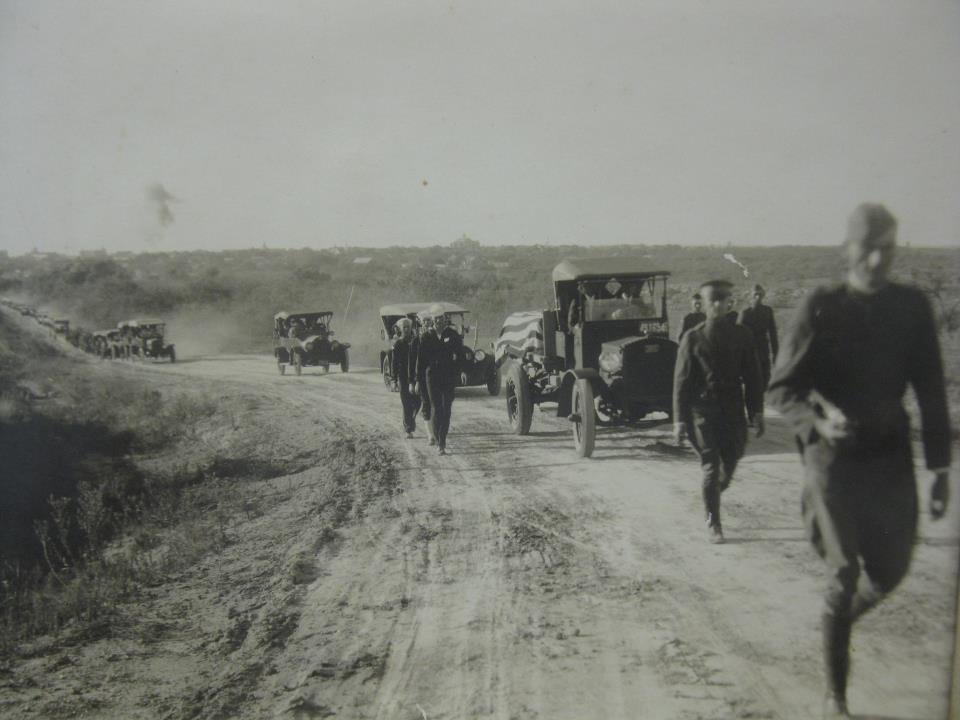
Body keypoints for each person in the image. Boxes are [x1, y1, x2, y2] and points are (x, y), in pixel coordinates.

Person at [767, 203, 951, 719]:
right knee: (844, 570)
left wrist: (940, 469)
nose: (876, 260)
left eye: (886, 249)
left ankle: (835, 622)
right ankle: (835, 698)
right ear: (848, 249)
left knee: (892, 570)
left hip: (889, 456)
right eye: (867, 249)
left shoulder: (911, 307)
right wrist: (818, 423)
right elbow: (783, 388)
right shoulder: (821, 306)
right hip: (834, 460)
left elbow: (933, 390)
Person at [673, 280, 764, 544]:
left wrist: (756, 411)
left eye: (721, 300)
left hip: (733, 408)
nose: (717, 305)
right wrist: (679, 420)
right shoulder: (693, 338)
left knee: (732, 458)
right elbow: (681, 382)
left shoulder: (743, 335)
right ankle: (714, 521)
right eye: (711, 300)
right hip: (704, 411)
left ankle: (711, 492)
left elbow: (753, 376)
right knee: (712, 465)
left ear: (729, 303)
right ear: (702, 303)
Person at [414, 304, 463, 455]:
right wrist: (417, 380)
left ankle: (442, 440)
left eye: (441, 319)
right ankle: (438, 441)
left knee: (447, 409)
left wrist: (461, 372)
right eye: (435, 319)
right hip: (432, 377)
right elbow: (420, 361)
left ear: (445, 319)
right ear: (432, 320)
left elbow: (460, 355)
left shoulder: (452, 335)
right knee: (436, 408)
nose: (438, 322)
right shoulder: (426, 337)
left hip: (448, 376)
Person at [738, 284, 779, 389]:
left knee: (765, 381)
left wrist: (776, 354)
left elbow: (773, 334)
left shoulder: (767, 311)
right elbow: (738, 337)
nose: (758, 297)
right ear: (751, 296)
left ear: (763, 296)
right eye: (755, 295)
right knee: (751, 384)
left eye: (760, 295)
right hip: (750, 353)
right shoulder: (745, 313)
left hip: (764, 352)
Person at [391, 318, 419, 438]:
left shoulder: (417, 342)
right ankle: (408, 429)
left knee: (418, 402)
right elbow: (394, 363)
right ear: (401, 330)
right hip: (403, 377)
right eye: (404, 327)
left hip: (415, 377)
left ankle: (411, 419)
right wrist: (394, 380)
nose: (407, 329)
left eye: (408, 327)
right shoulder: (398, 344)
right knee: (406, 403)